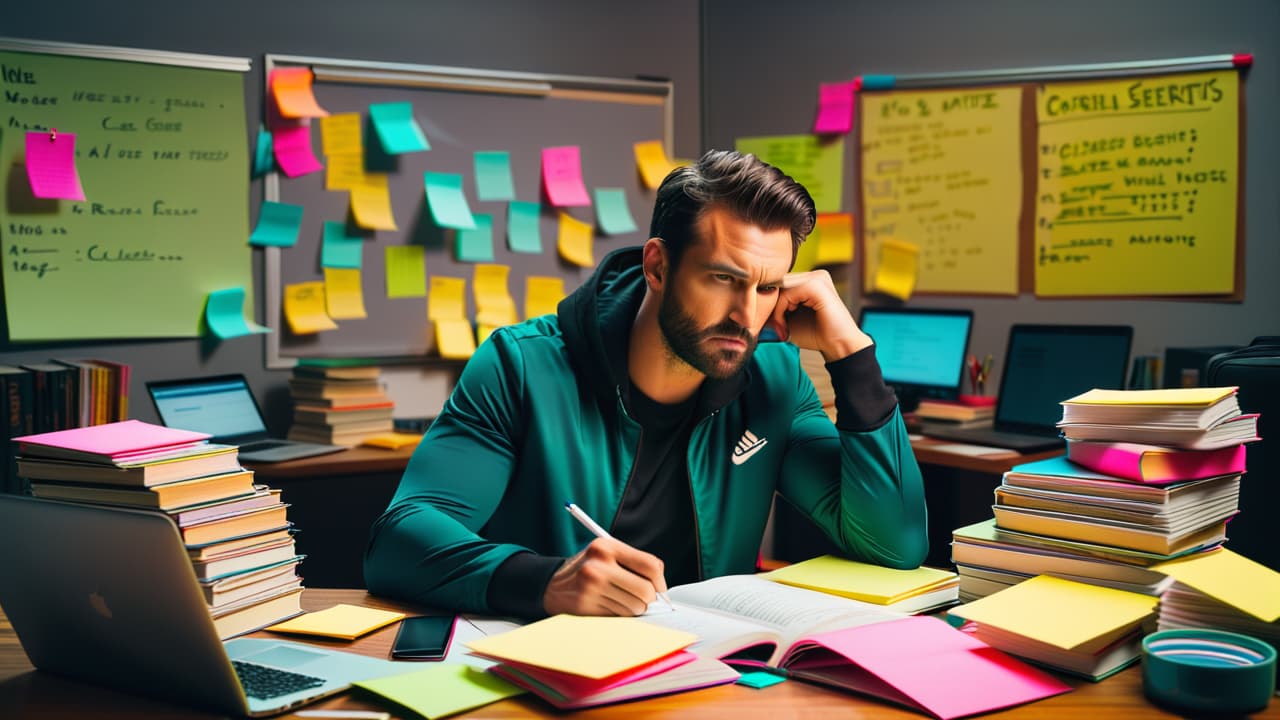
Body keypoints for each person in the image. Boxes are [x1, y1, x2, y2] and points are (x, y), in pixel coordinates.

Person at [364, 150, 927, 619]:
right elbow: (400, 539)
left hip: (708, 676)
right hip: (546, 671)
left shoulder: (775, 382)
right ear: (657, 266)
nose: (744, 315)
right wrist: (546, 582)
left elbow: (893, 545)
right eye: (723, 279)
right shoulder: (521, 366)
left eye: (765, 288)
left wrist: (851, 356)